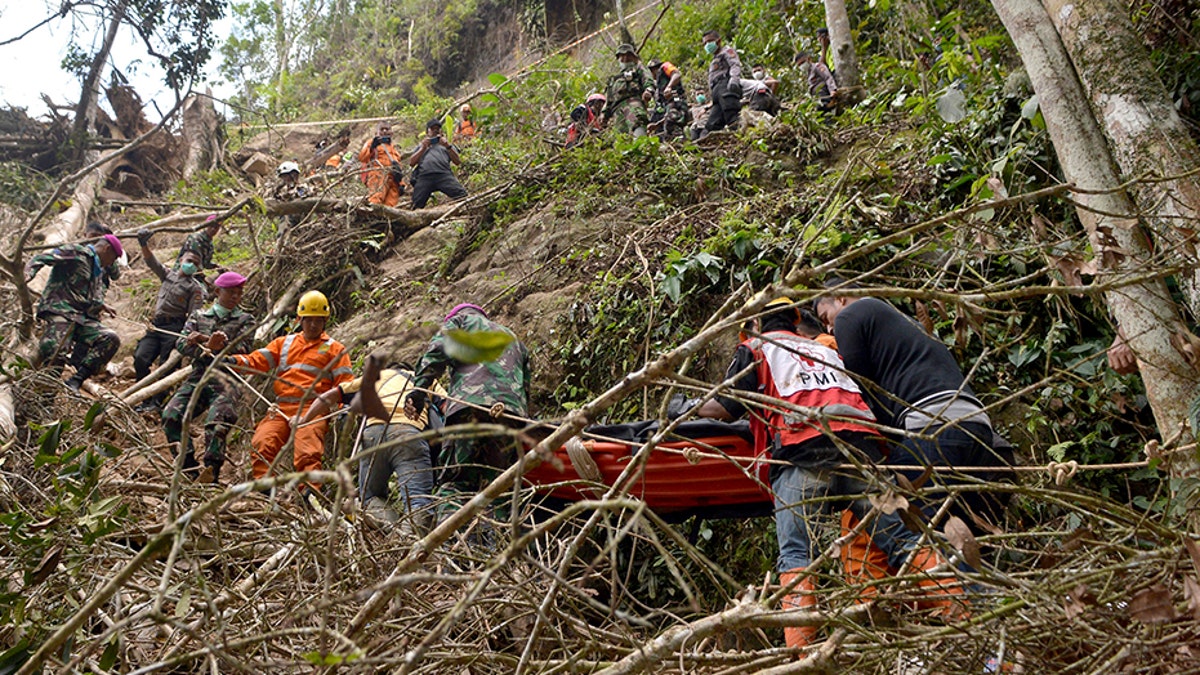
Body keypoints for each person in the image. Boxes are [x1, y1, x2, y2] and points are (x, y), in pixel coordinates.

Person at [675, 297, 965, 648]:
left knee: (797, 557)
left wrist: (684, 408)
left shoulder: (756, 349)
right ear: (796, 322)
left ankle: (803, 659)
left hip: (803, 456)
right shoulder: (827, 351)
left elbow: (726, 407)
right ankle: (964, 619)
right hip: (863, 456)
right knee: (905, 541)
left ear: (753, 324)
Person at [813, 279, 1010, 528]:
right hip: (977, 424)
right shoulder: (904, 322)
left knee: (919, 529)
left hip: (932, 426)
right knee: (965, 532)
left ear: (840, 298)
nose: (829, 328)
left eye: (825, 317)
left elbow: (858, 387)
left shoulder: (852, 314)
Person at [405, 303, 530, 524]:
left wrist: (418, 391)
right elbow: (525, 385)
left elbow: (437, 352)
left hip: (468, 410)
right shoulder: (512, 337)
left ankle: (453, 548)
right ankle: (496, 550)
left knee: (456, 482)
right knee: (499, 486)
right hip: (510, 416)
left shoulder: (460, 323)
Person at [299, 356, 447, 529]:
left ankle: (393, 533)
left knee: (370, 498)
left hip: (373, 434)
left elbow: (331, 395)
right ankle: (410, 539)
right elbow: (447, 405)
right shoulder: (423, 379)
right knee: (418, 500)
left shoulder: (376, 377)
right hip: (408, 434)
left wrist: (303, 419)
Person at [229, 290, 353, 481]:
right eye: (309, 319)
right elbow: (256, 361)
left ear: (325, 321)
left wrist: (342, 411)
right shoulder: (283, 343)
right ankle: (263, 491)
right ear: (299, 319)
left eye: (318, 320)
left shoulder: (335, 349)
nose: (313, 324)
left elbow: (344, 385)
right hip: (282, 408)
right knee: (262, 443)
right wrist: (232, 361)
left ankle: (310, 495)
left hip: (313, 409)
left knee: (308, 452)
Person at [162, 272, 256, 483]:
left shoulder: (246, 320)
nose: (236, 296)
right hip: (199, 377)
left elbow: (242, 349)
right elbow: (182, 345)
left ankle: (211, 473)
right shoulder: (198, 317)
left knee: (218, 421)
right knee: (171, 415)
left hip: (226, 380)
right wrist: (204, 347)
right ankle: (188, 469)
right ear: (217, 292)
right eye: (231, 292)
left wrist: (209, 344)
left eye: (239, 292)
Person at [24, 234, 123, 392]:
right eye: (113, 258)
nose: (112, 263)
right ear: (107, 249)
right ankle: (43, 395)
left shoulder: (97, 269)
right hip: (59, 310)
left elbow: (86, 295)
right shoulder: (77, 252)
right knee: (57, 349)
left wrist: (102, 306)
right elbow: (42, 257)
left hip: (79, 317)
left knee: (110, 338)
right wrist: (28, 274)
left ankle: (76, 380)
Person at [132, 229, 206, 412]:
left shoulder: (195, 288)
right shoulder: (167, 275)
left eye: (195, 264)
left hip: (174, 328)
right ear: (181, 260)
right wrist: (143, 244)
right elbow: (151, 261)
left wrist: (187, 334)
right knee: (140, 358)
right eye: (189, 261)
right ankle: (142, 397)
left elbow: (195, 315)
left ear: (198, 268)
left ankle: (155, 403)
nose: (191, 265)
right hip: (156, 326)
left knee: (166, 366)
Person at [409, 119, 468, 209]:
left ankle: (463, 212)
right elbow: (411, 163)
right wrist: (423, 148)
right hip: (425, 176)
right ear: (427, 132)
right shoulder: (422, 146)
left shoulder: (446, 145)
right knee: (416, 204)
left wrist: (447, 146)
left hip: (443, 175)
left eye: (437, 128)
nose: (435, 131)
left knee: (462, 195)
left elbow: (457, 162)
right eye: (432, 129)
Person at [602, 43, 655, 138]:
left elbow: (647, 79)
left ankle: (642, 147)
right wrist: (604, 115)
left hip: (633, 103)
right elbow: (608, 99)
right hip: (617, 110)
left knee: (638, 124)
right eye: (622, 56)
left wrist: (648, 90)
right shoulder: (613, 79)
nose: (625, 58)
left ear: (633, 57)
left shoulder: (638, 68)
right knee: (621, 136)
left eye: (628, 55)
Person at [702, 29, 743, 137]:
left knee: (732, 115)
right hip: (716, 92)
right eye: (705, 43)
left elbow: (735, 65)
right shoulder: (714, 59)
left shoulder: (727, 51)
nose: (707, 45)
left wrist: (734, 79)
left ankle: (743, 139)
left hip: (725, 86)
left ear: (718, 41)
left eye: (710, 41)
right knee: (712, 124)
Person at [357, 121, 406, 207]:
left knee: (391, 205)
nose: (384, 131)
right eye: (382, 129)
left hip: (393, 180)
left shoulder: (394, 149)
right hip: (378, 176)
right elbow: (362, 158)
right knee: (375, 200)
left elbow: (398, 166)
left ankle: (385, 220)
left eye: (387, 129)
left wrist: (401, 183)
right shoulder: (372, 143)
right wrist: (373, 146)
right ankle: (372, 216)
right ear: (377, 132)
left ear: (391, 132)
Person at [646, 59, 690, 139]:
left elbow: (676, 74)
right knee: (665, 128)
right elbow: (667, 116)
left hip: (677, 100)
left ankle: (680, 142)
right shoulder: (659, 87)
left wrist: (669, 86)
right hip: (671, 106)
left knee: (672, 122)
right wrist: (657, 125)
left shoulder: (664, 66)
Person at [83, 221, 123, 289]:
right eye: (93, 236)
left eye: (98, 236)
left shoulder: (106, 253)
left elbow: (116, 275)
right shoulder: (80, 251)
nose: (95, 239)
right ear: (85, 235)